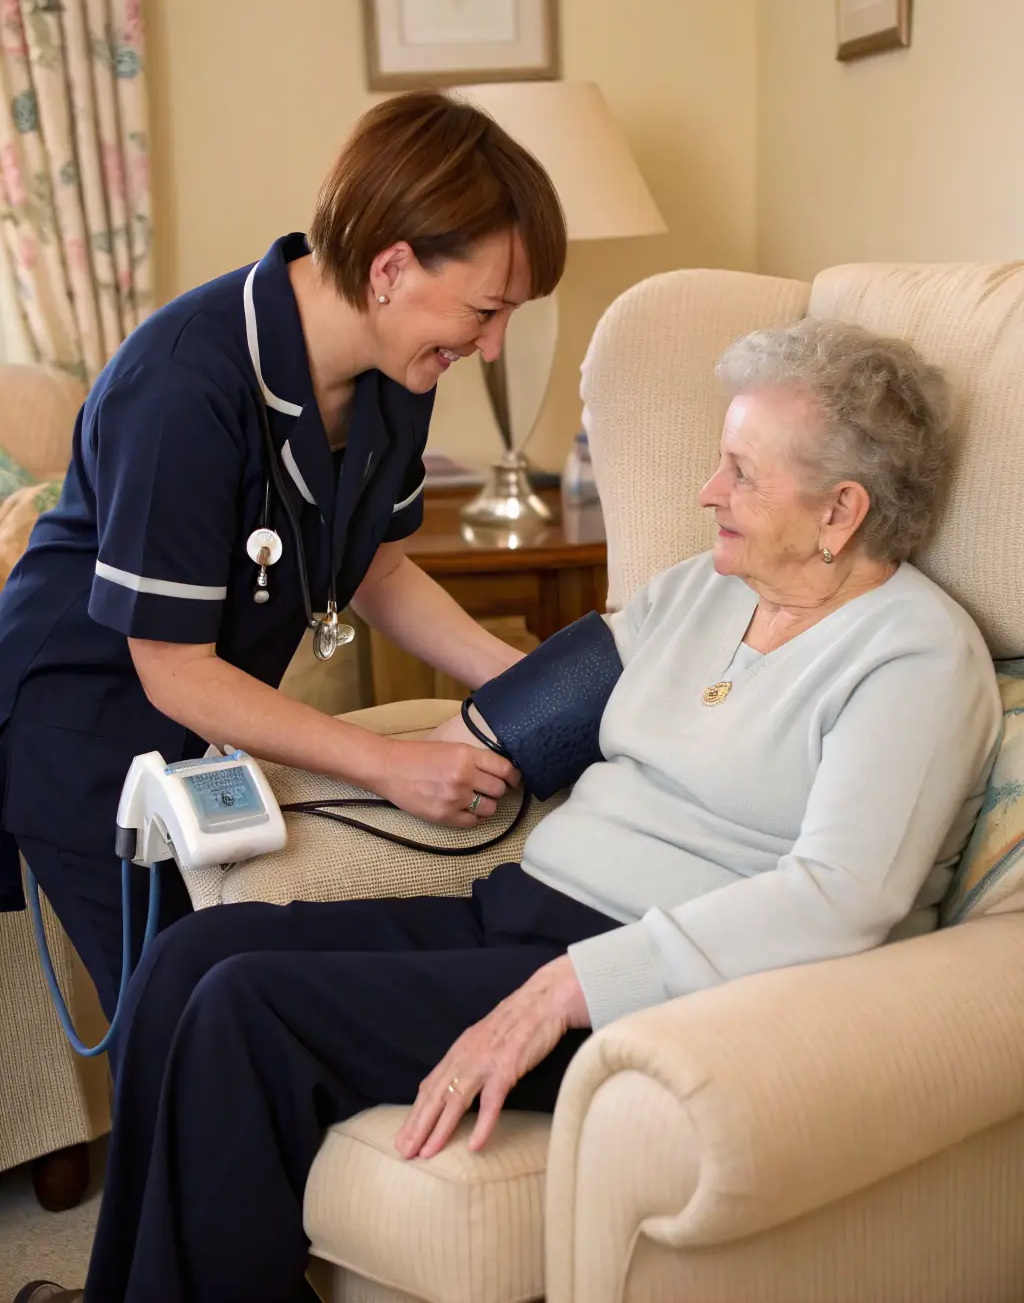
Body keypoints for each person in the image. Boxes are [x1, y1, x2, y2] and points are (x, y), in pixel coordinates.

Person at [18, 318, 1002, 1303]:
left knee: (245, 1009)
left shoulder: (912, 656)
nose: (707, 493)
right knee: (186, 960)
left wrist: (573, 986)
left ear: (841, 509)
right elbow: (523, 712)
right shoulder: (702, 592)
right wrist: (382, 764)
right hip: (520, 909)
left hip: (655, 984)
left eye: (741, 474)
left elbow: (841, 897)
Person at [0, 90, 567, 1022]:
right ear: (391, 267)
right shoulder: (184, 381)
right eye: (485, 310)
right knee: (175, 1018)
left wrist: (526, 679)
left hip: (204, 726)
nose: (492, 344)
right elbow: (171, 666)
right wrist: (387, 767)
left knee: (230, 989)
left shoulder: (399, 368)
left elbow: (376, 567)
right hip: (85, 724)